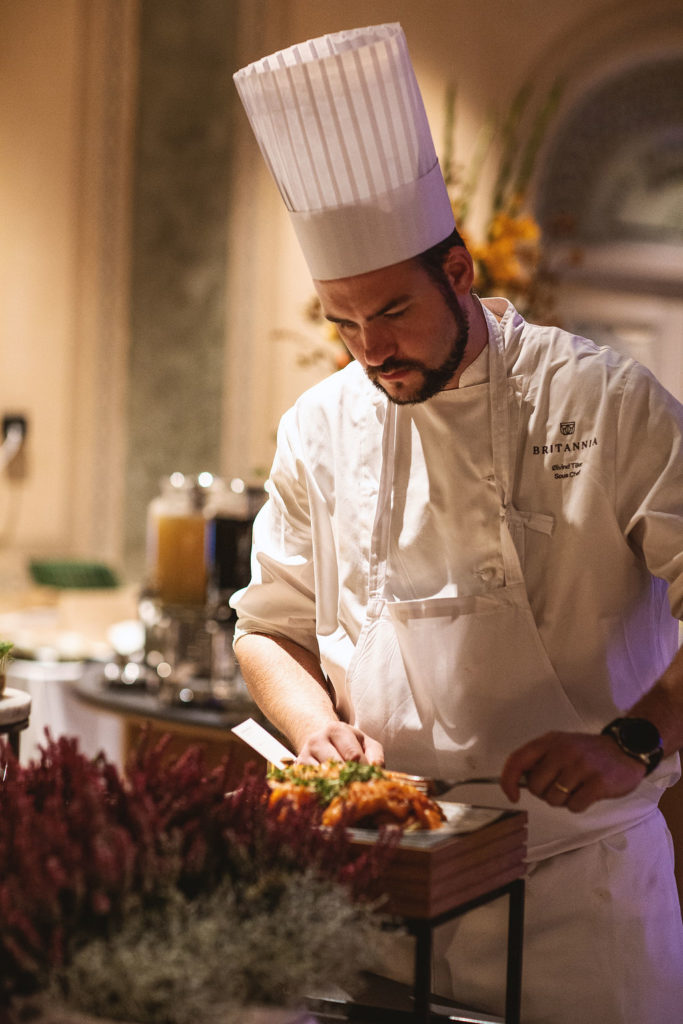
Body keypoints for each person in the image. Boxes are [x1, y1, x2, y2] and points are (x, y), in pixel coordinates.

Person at [231, 23, 683, 1023]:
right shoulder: (317, 424)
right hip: (378, 888)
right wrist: (318, 738)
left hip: (574, 894)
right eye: (338, 322)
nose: (368, 349)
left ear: (460, 270)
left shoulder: (603, 403)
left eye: (390, 311)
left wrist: (633, 740)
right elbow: (264, 627)